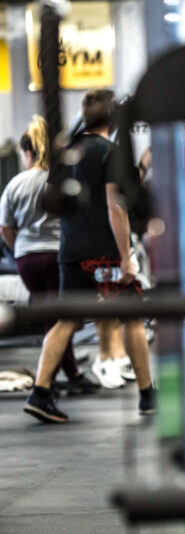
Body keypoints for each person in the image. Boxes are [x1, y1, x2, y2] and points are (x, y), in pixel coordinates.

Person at [23, 89, 155, 423]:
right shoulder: (110, 151)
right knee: (133, 317)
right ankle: (147, 395)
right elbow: (116, 206)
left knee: (66, 319)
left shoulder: (67, 152)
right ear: (113, 120)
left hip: (71, 251)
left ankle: (40, 393)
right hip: (104, 255)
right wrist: (127, 257)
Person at [0, 116, 99, 396]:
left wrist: (20, 247)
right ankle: (59, 377)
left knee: (51, 317)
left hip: (27, 260)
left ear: (28, 152)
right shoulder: (63, 181)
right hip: (57, 256)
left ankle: (64, 375)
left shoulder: (15, 184)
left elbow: (5, 227)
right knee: (60, 318)